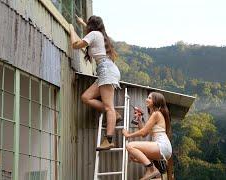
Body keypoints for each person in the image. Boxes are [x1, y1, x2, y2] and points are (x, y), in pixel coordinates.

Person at [69, 15, 121, 150]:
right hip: (105, 70)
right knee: (86, 97)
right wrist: (82, 23)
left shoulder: (94, 34)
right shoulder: (99, 35)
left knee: (109, 107)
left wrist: (71, 30)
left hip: (106, 70)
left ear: (91, 26)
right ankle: (115, 115)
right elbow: (89, 30)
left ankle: (108, 139)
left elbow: (75, 45)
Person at [122, 92, 172, 180]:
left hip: (162, 145)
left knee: (130, 146)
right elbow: (144, 134)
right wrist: (139, 119)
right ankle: (156, 175)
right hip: (164, 148)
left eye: (149, 98)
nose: (146, 99)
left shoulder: (156, 114)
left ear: (155, 101)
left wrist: (128, 135)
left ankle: (152, 170)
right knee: (135, 155)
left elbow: (143, 132)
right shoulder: (154, 114)